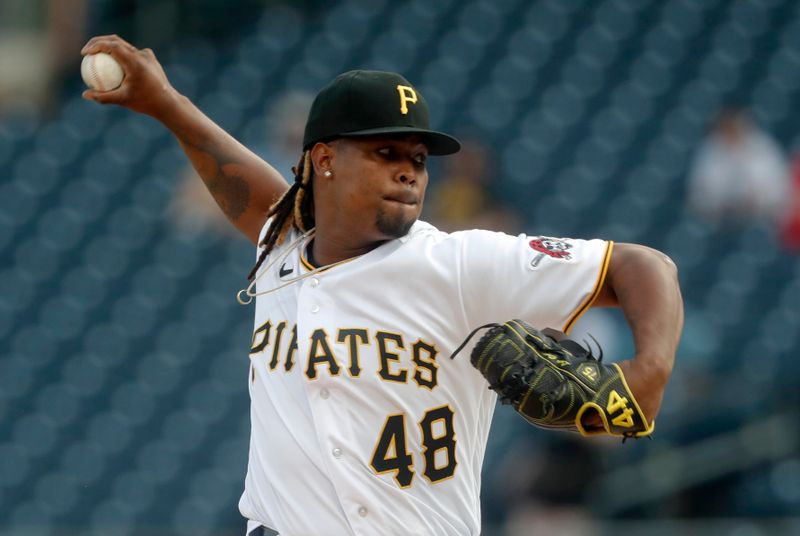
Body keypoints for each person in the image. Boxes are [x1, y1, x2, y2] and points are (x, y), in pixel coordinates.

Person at [81, 35, 684, 536]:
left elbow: (644, 265)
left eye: (418, 158)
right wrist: (165, 103)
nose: (408, 170)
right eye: (386, 150)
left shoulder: (459, 263)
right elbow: (249, 188)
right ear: (324, 160)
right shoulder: (282, 247)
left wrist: (649, 372)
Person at [687, 106, 790, 225]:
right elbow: (697, 195)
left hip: (761, 222)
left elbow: (780, 192)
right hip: (719, 224)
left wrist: (758, 201)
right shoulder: (709, 150)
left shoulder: (764, 148)